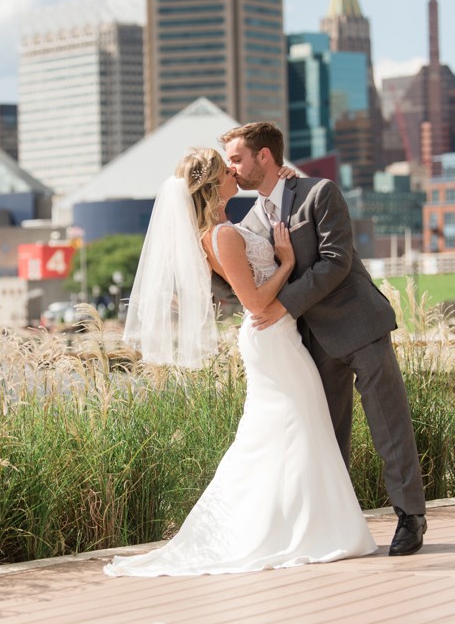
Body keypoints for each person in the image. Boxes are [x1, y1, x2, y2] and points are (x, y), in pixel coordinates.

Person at [104, 148, 377, 577]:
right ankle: (304, 532)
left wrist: (283, 178)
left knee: (288, 434)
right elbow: (254, 302)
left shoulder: (224, 228)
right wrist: (287, 264)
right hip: (272, 339)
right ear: (215, 183)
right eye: (226, 168)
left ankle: (307, 529)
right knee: (296, 429)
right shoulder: (223, 236)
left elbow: (267, 220)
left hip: (278, 339)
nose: (235, 172)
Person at [220, 122, 427, 556]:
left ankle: (411, 517)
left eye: (237, 158)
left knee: (389, 425)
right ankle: (339, 526)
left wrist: (282, 306)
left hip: (359, 325)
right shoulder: (250, 221)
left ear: (264, 157)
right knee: (327, 438)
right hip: (308, 344)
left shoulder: (320, 193)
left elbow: (335, 262)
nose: (231, 168)